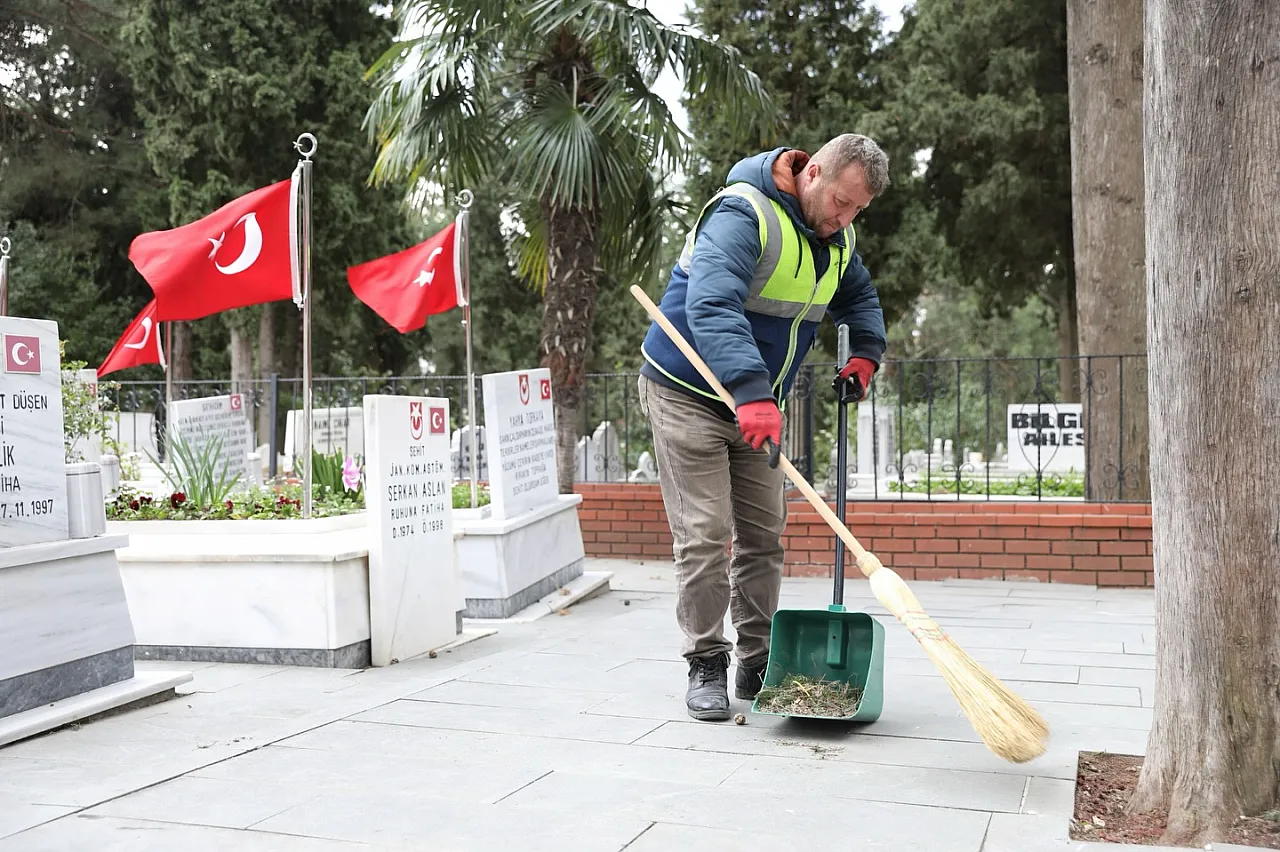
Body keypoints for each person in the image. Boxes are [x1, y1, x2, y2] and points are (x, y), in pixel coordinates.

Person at [636, 134, 890, 721]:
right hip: (687, 392)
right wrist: (751, 391)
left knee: (764, 536)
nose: (844, 218)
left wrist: (866, 354)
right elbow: (713, 304)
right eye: (841, 202)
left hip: (756, 406)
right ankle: (706, 660)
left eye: (857, 210)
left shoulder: (837, 239)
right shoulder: (741, 213)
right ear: (814, 171)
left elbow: (861, 297)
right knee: (705, 532)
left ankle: (758, 660)